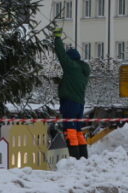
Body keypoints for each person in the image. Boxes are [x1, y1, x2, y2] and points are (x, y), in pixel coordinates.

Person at [53, 27, 91, 159]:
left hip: (70, 102)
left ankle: (74, 158)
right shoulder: (82, 70)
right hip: (79, 104)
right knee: (78, 131)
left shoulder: (71, 66)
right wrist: (62, 82)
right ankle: (83, 157)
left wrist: (57, 38)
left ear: (71, 59)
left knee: (70, 131)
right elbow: (73, 83)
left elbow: (61, 54)